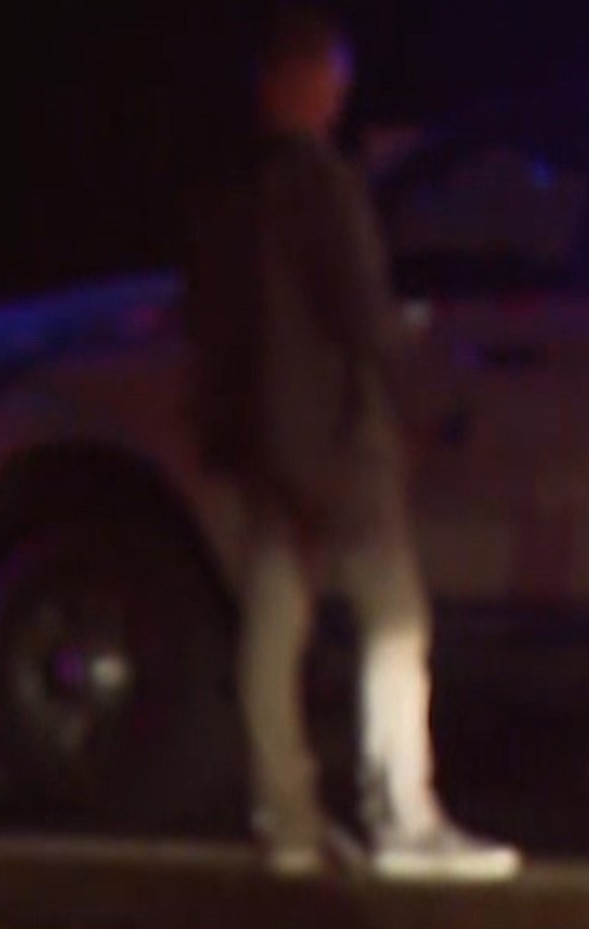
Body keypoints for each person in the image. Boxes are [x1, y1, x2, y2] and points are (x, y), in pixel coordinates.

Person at [179, 3, 520, 883]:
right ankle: (404, 814)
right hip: (337, 438)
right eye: (332, 76)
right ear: (303, 80)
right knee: (396, 624)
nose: (341, 94)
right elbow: (361, 314)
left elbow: (212, 324)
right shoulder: (323, 185)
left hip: (262, 440)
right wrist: (416, 367)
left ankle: (286, 818)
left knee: (273, 624)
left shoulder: (223, 191)